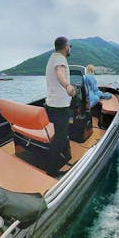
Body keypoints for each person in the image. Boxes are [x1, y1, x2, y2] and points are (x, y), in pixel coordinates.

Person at [45, 36, 76, 174]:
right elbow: (59, 73)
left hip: (51, 104)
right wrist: (68, 86)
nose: (70, 48)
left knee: (60, 134)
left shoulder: (52, 58)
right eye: (69, 46)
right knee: (60, 137)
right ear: (65, 47)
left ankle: (63, 158)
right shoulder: (60, 59)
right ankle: (51, 170)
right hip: (59, 106)